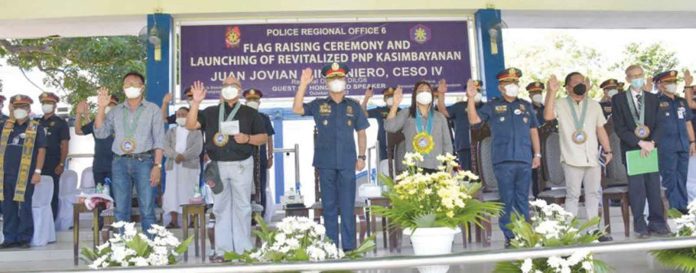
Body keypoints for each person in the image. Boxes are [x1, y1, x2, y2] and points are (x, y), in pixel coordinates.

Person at [186, 74, 267, 260]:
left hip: (242, 164)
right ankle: (222, 251)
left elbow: (262, 137)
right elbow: (191, 125)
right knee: (220, 208)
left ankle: (243, 250)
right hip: (218, 166)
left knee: (243, 207)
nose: (229, 87)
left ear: (239, 90)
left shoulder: (250, 113)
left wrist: (247, 138)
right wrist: (196, 103)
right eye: (225, 85)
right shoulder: (211, 112)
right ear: (221, 89)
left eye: (233, 85)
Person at [291, 63, 368, 251]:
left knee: (348, 206)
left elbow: (361, 133)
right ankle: (331, 247)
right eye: (333, 79)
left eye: (339, 78)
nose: (336, 82)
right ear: (327, 83)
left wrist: (362, 157)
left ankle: (349, 248)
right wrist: (303, 85)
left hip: (348, 163)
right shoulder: (319, 104)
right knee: (330, 207)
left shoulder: (353, 106)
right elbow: (297, 108)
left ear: (345, 81)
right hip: (325, 163)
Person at [466, 68, 541, 246]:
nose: (512, 86)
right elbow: (474, 121)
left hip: (524, 159)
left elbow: (534, 131)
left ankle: (526, 234)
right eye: (508, 83)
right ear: (501, 87)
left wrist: (537, 154)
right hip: (503, 160)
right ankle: (510, 236)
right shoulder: (492, 106)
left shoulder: (526, 105)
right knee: (507, 199)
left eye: (515, 83)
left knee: (523, 199)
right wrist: (470, 98)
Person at [543, 72, 614, 241]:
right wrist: (551, 92)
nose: (580, 84)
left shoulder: (594, 105)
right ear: (567, 88)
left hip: (592, 157)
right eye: (576, 82)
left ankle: (594, 230)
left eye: (583, 82)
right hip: (571, 157)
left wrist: (608, 150)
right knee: (573, 195)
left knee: (593, 193)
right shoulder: (560, 103)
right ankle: (569, 232)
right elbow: (547, 116)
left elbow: (600, 129)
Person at [94, 71, 166, 233]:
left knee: (147, 209)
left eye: (134, 84)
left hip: (145, 162)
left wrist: (157, 166)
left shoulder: (152, 109)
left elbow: (159, 140)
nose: (130, 87)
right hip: (119, 162)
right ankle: (123, 251)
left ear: (142, 87)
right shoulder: (115, 111)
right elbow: (100, 133)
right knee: (121, 210)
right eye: (127, 84)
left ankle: (151, 251)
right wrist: (101, 108)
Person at [611, 64, 669, 238]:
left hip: (651, 149)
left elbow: (660, 124)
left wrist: (651, 143)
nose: (638, 78)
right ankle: (640, 224)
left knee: (653, 187)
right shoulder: (619, 99)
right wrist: (639, 143)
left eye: (640, 74)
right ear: (628, 79)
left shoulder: (653, 99)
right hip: (632, 150)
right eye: (633, 75)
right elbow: (619, 128)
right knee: (637, 190)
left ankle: (657, 222)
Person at [0, 95, 47, 248]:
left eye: (23, 107)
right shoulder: (5, 126)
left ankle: (24, 238)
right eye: (17, 107)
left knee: (24, 205)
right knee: (7, 206)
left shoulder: (35, 127)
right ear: (12, 109)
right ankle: (9, 238)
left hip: (25, 174)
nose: (20, 109)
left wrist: (38, 171)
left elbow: (41, 150)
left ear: (29, 109)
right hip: (5, 173)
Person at [653, 70, 696, 214]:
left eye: (674, 82)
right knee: (669, 177)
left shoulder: (681, 101)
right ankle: (672, 208)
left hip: (683, 144)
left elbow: (688, 123)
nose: (672, 85)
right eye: (668, 82)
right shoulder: (655, 102)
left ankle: (682, 206)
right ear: (660, 85)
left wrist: (692, 141)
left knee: (682, 177)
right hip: (666, 147)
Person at [385, 80, 453, 172]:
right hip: (413, 169)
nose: (424, 93)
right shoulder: (407, 113)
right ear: (415, 96)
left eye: (428, 91)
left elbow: (447, 145)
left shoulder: (440, 117)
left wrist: (449, 169)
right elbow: (389, 127)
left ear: (432, 95)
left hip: (436, 169)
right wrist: (395, 105)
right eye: (421, 91)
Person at [163, 107, 203, 228]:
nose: (181, 116)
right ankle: (173, 221)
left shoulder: (196, 131)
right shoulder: (171, 132)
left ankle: (192, 221)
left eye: (184, 114)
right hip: (173, 166)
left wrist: (183, 156)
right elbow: (165, 147)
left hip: (189, 166)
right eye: (178, 114)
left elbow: (197, 149)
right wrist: (176, 156)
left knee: (190, 192)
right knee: (172, 193)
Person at [36, 92, 69, 219]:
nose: (46, 105)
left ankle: (51, 222)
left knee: (51, 193)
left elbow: (64, 145)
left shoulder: (61, 123)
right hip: (37, 162)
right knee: (36, 193)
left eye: (49, 103)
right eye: (44, 103)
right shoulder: (35, 122)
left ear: (55, 105)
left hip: (52, 161)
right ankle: (37, 222)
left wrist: (61, 163)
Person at [75, 96, 119, 191]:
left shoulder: (121, 123)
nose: (109, 107)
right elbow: (78, 131)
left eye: (112, 105)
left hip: (116, 166)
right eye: (107, 105)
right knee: (100, 197)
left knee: (115, 197)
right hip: (99, 167)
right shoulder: (96, 123)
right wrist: (79, 114)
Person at [437, 80, 483, 171]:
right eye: (473, 90)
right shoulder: (459, 106)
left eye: (478, 90)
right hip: (464, 146)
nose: (475, 93)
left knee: (485, 176)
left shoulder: (487, 107)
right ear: (467, 93)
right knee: (467, 176)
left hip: (483, 147)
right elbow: (443, 111)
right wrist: (441, 94)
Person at [242, 88, 275, 217]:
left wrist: (270, 156)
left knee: (260, 186)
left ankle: (260, 215)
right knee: (245, 186)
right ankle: (248, 216)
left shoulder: (264, 118)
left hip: (260, 157)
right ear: (245, 102)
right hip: (243, 157)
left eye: (255, 99)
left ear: (259, 102)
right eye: (249, 99)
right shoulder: (241, 117)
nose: (252, 101)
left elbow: (269, 138)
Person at [362, 87, 399, 162]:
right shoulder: (379, 110)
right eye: (388, 97)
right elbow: (363, 114)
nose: (390, 99)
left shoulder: (403, 112)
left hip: (399, 148)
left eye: (392, 97)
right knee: (384, 171)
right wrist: (366, 98)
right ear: (384, 99)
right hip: (383, 149)